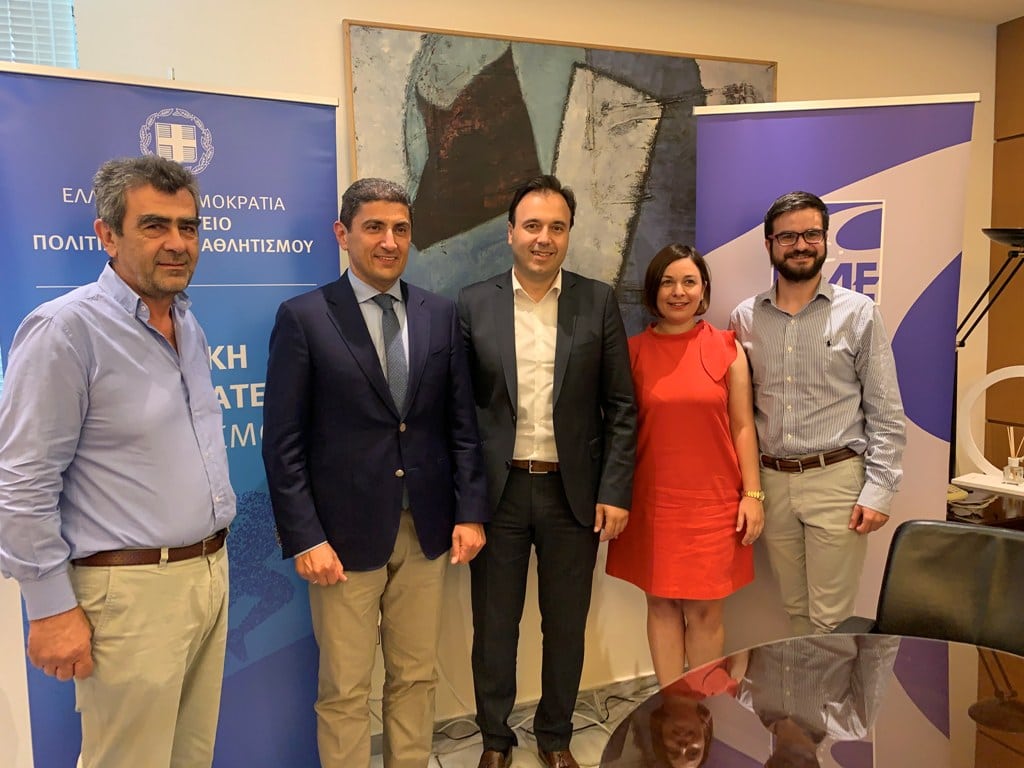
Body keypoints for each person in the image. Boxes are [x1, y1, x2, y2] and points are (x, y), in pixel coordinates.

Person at [0, 155, 236, 768]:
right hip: (129, 592)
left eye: (188, 227)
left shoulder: (186, 324)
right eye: (154, 226)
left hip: (207, 574)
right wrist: (49, 607)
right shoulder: (65, 330)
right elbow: (21, 482)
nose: (177, 243)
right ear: (107, 235)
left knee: (189, 758)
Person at [262, 178, 489, 768]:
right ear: (343, 234)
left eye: (400, 229)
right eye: (374, 228)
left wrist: (470, 512)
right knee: (344, 688)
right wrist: (305, 537)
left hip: (426, 530)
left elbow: (461, 426)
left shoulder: (439, 314)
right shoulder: (304, 318)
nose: (389, 241)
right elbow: (283, 444)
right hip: (340, 540)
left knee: (416, 677)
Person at [457, 174, 637, 768]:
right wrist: (466, 503)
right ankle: (495, 739)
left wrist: (615, 490)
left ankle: (555, 736)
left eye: (556, 227)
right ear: (510, 232)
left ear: (568, 235)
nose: (544, 238)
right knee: (495, 627)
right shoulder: (473, 303)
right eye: (532, 225)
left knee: (565, 625)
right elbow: (460, 413)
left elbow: (621, 406)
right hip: (500, 493)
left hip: (572, 494)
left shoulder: (597, 301)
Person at [729, 191, 906, 635]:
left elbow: (885, 411)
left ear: (826, 239)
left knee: (831, 619)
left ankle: (831, 686)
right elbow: (740, 413)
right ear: (769, 244)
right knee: (794, 611)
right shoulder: (745, 318)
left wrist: (879, 490)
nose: (801, 245)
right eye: (787, 237)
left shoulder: (858, 313)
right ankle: (808, 685)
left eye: (811, 234)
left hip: (837, 482)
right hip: (773, 482)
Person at [607, 244, 763, 686]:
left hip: (714, 505)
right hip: (653, 503)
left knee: (705, 612)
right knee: (660, 605)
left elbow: (743, 426)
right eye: (667, 282)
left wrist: (753, 494)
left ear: (704, 290)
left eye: (689, 282)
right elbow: (618, 430)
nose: (678, 292)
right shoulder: (632, 352)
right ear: (653, 291)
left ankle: (703, 706)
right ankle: (673, 707)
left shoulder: (727, 349)